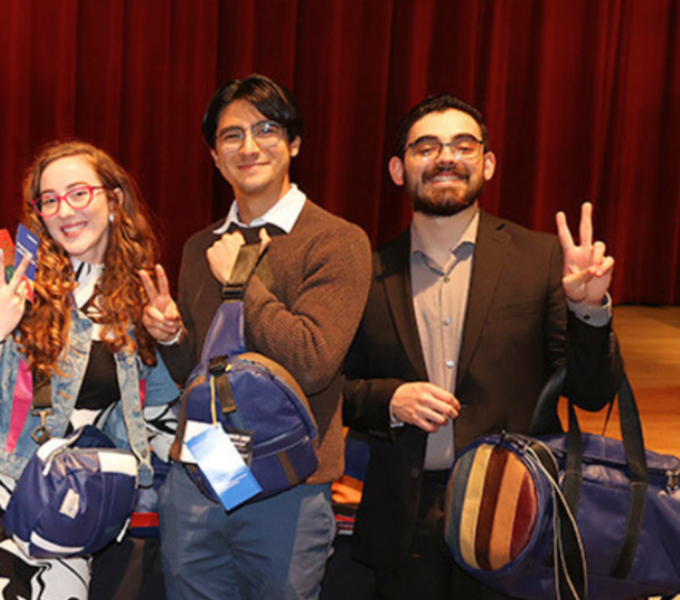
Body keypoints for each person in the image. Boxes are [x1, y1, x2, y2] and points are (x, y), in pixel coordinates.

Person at [341, 94, 620, 600]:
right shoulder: (367, 272)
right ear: (398, 170)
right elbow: (337, 390)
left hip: (517, 510)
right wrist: (390, 400)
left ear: (487, 164)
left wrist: (588, 311)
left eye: (462, 145)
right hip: (406, 520)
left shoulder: (539, 260)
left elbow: (592, 393)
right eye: (426, 147)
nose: (445, 157)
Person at [141, 74, 372, 600]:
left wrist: (240, 284)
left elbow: (313, 361)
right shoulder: (203, 245)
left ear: (294, 144)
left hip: (287, 477)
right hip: (202, 467)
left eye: (266, 129)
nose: (249, 146)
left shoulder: (337, 241)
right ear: (214, 157)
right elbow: (195, 375)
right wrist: (173, 335)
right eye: (231, 136)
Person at [0, 140, 179, 599]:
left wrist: (235, 470)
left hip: (67, 505)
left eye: (79, 193)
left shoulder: (139, 305)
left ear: (114, 200)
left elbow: (163, 428)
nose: (65, 210)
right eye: (49, 199)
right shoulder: (8, 286)